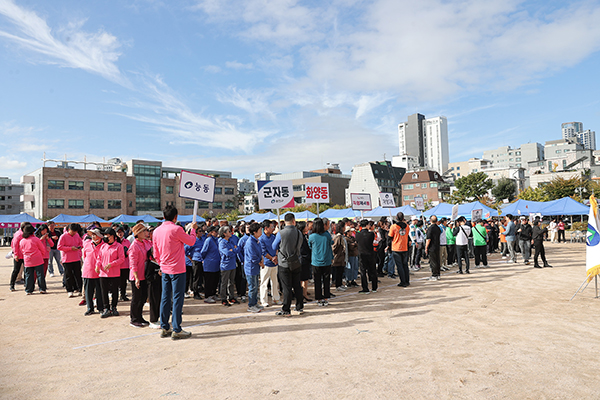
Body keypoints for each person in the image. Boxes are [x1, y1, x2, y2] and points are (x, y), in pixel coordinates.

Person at [152, 205, 197, 340]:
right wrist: (193, 230)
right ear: (176, 217)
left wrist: (161, 264)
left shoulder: (156, 231)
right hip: (177, 269)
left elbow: (155, 253)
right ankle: (176, 328)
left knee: (165, 297)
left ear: (164, 216)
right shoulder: (177, 229)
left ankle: (165, 327)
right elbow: (191, 241)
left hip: (165, 268)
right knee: (177, 298)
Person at [272, 213, 304, 316]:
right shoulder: (299, 233)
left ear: (284, 221)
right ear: (293, 221)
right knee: (297, 286)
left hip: (284, 263)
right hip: (296, 262)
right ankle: (299, 307)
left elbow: (274, 246)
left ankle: (286, 309)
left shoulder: (281, 233)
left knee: (287, 287)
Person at [96, 227, 124, 318]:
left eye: (107, 235)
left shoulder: (118, 246)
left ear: (112, 236)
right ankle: (106, 308)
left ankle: (114, 307)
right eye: (104, 235)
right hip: (103, 273)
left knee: (115, 291)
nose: (105, 237)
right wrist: (97, 265)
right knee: (104, 291)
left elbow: (121, 259)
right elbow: (99, 258)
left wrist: (112, 264)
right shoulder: (103, 246)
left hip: (114, 273)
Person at [129, 223, 152, 328]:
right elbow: (133, 263)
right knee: (136, 298)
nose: (146, 233)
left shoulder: (145, 243)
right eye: (143, 231)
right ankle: (134, 318)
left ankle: (139, 316)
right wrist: (136, 277)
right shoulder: (134, 245)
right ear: (137, 233)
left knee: (143, 297)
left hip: (144, 274)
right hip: (136, 276)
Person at [308, 218, 333, 305]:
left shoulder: (311, 236)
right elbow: (331, 243)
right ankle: (326, 298)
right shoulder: (327, 235)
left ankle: (319, 299)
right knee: (326, 281)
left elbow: (310, 246)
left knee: (317, 281)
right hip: (327, 260)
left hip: (315, 261)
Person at [19, 224, 48, 295]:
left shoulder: (22, 241)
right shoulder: (36, 239)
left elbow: (22, 250)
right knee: (40, 275)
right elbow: (42, 249)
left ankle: (29, 290)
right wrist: (42, 255)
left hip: (27, 260)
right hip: (37, 259)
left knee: (29, 275)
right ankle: (42, 289)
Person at [81, 228, 105, 316]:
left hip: (100, 272)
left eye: (96, 234)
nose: (94, 236)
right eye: (93, 235)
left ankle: (100, 308)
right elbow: (84, 256)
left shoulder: (104, 245)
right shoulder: (86, 243)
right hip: (88, 271)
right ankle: (90, 308)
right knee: (88, 291)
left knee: (99, 291)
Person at [57, 223, 84, 297]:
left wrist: (79, 247)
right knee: (68, 275)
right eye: (73, 231)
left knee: (78, 274)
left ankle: (80, 289)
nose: (74, 233)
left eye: (75, 232)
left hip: (76, 258)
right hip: (67, 259)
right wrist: (70, 248)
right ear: (69, 229)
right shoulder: (63, 236)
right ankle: (69, 290)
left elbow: (81, 244)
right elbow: (59, 247)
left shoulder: (77, 235)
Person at [259, 220, 281, 307]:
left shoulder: (273, 237)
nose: (273, 229)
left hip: (274, 262)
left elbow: (277, 246)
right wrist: (271, 258)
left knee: (275, 282)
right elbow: (263, 251)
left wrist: (276, 256)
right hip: (266, 263)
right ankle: (263, 300)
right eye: (272, 227)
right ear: (266, 228)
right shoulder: (261, 238)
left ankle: (276, 298)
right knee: (264, 283)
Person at [244, 222, 264, 313]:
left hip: (255, 267)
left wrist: (261, 260)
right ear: (255, 232)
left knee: (256, 286)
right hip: (251, 268)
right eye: (260, 230)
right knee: (252, 287)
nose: (261, 232)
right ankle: (251, 305)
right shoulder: (250, 242)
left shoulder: (256, 240)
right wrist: (260, 262)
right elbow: (252, 257)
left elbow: (260, 252)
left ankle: (255, 303)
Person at [218, 225, 240, 306]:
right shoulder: (222, 243)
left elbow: (237, 249)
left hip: (232, 265)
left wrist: (233, 250)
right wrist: (233, 250)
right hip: (225, 266)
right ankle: (223, 299)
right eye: (228, 231)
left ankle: (231, 297)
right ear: (224, 233)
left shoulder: (231, 241)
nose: (230, 233)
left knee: (231, 282)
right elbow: (227, 253)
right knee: (224, 283)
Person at [355, 219, 378, 293]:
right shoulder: (371, 234)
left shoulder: (357, 234)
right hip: (370, 254)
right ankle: (374, 287)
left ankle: (365, 288)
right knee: (372, 271)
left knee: (363, 272)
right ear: (367, 225)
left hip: (362, 254)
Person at [389, 212, 411, 287]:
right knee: (405, 265)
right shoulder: (407, 226)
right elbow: (407, 236)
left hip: (396, 248)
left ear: (396, 218)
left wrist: (388, 246)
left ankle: (403, 281)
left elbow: (390, 237)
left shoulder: (393, 227)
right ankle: (407, 281)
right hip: (405, 247)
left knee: (399, 266)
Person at [201, 226, 221, 303]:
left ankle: (213, 294)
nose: (217, 233)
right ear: (211, 232)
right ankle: (207, 296)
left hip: (216, 264)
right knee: (209, 281)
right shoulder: (208, 240)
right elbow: (203, 252)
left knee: (215, 281)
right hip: (209, 265)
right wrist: (204, 259)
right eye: (215, 231)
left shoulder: (216, 240)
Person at [185, 227, 206, 300]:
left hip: (202, 260)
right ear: (196, 233)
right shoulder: (194, 241)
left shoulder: (202, 239)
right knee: (196, 278)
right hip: (196, 260)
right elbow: (185, 249)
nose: (201, 232)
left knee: (200, 278)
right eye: (200, 231)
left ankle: (199, 290)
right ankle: (195, 293)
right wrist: (190, 257)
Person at [297, 221, 313, 301]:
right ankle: (303, 295)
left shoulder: (305, 236)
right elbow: (302, 250)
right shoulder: (300, 237)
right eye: (306, 226)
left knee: (305, 279)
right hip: (302, 260)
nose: (307, 227)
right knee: (302, 279)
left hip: (305, 260)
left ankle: (304, 293)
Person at [331, 221, 348, 292]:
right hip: (338, 257)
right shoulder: (338, 236)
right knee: (338, 272)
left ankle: (340, 284)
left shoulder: (341, 236)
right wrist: (336, 253)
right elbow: (335, 247)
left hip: (342, 257)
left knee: (341, 271)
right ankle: (338, 285)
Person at [116, 226, 131, 301]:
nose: (120, 233)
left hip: (125, 264)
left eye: (121, 232)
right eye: (118, 232)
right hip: (117, 265)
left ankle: (123, 295)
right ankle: (115, 295)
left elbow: (130, 251)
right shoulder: (114, 242)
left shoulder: (127, 241)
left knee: (124, 282)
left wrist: (126, 251)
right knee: (116, 282)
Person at [425, 216, 441, 281]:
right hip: (437, 245)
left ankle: (434, 275)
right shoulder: (438, 228)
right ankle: (438, 274)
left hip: (432, 246)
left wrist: (426, 247)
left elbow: (428, 239)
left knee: (433, 261)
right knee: (437, 260)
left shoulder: (430, 228)